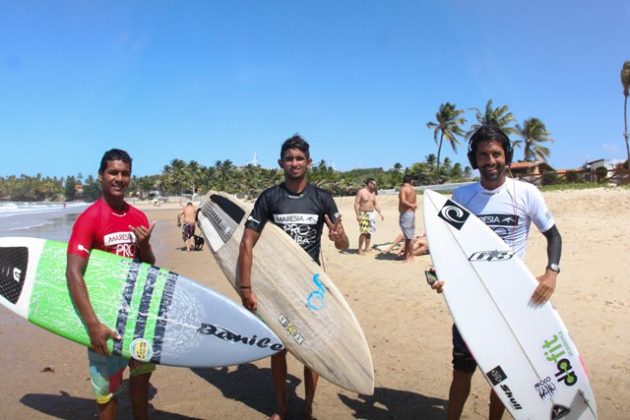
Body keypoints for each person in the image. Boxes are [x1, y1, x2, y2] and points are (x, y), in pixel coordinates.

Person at [431, 125, 562, 420]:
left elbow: (553, 236)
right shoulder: (462, 196)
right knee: (462, 371)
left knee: (504, 376)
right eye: (483, 155)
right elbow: (444, 246)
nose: (490, 161)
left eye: (496, 154)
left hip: (512, 300)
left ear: (507, 156)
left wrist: (551, 272)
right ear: (473, 160)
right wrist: (436, 276)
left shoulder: (526, 193)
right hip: (471, 301)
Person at [238, 134, 349, 420]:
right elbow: (247, 242)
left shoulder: (322, 198)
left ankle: (308, 407)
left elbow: (343, 243)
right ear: (281, 163)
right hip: (277, 285)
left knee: (313, 350)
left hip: (311, 288)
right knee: (278, 348)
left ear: (309, 162)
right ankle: (281, 408)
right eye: (289, 158)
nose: (294, 163)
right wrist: (246, 287)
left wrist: (340, 237)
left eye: (299, 158)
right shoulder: (270, 197)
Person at [66, 149, 156, 420]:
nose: (119, 178)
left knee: (140, 379)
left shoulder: (138, 217)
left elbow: (149, 267)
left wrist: (144, 245)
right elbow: (73, 272)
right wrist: (92, 324)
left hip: (137, 315)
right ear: (101, 177)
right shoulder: (90, 218)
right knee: (107, 391)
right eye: (113, 172)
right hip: (105, 316)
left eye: (125, 173)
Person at [354, 177, 384, 255]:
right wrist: (357, 215)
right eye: (373, 184)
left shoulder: (373, 193)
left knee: (369, 232)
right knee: (364, 232)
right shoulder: (361, 192)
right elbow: (356, 204)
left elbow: (375, 204)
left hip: (371, 214)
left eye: (375, 185)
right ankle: (360, 250)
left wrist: (380, 213)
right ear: (369, 184)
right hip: (363, 213)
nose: (374, 186)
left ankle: (367, 248)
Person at [398, 175, 417, 262]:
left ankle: (411, 256)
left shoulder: (403, 189)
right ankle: (405, 254)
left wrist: (411, 205)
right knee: (407, 236)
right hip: (411, 213)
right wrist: (413, 206)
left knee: (409, 236)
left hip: (406, 214)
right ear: (411, 181)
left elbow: (403, 201)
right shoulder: (413, 190)